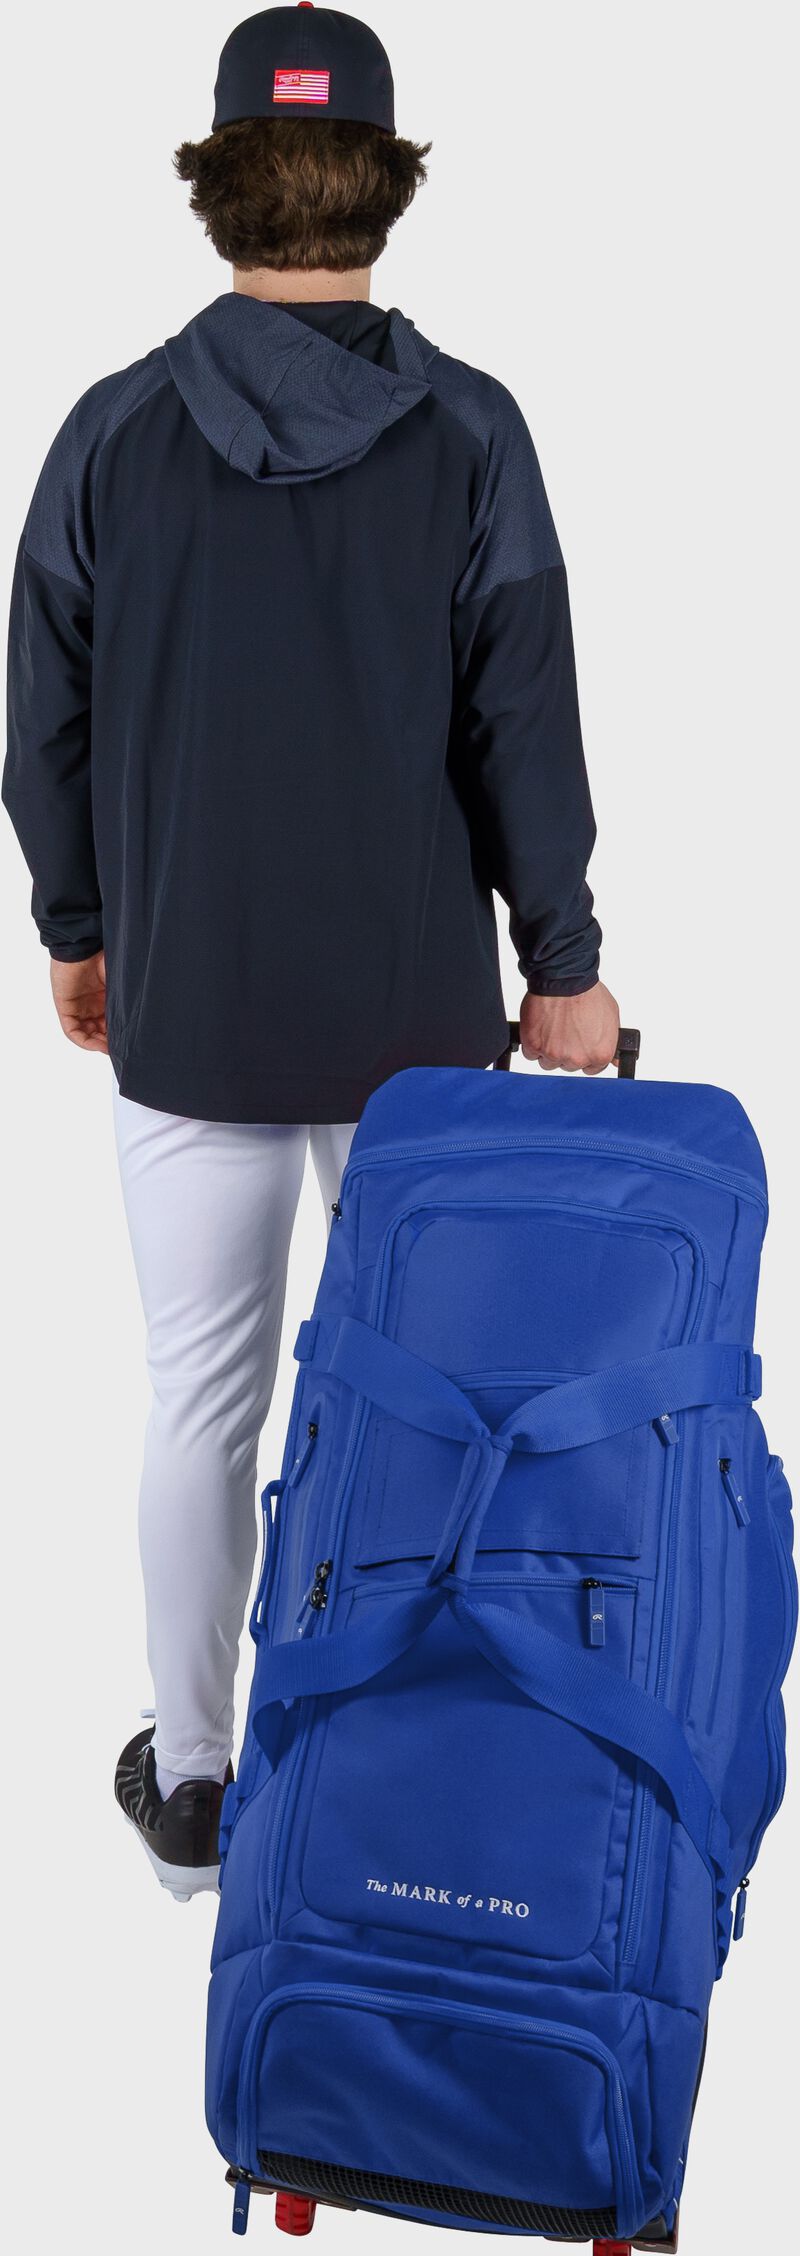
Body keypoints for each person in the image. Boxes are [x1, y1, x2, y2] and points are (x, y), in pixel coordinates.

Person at [3, 7, 620, 1898]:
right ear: (387, 181)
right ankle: (394, 1770)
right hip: (415, 1025)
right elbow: (524, 721)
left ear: (219, 184)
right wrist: (565, 960)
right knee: (426, 1394)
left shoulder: (111, 426)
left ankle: (197, 1790)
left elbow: (44, 724)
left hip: (190, 998)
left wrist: (83, 927)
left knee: (200, 1399)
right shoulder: (473, 428)